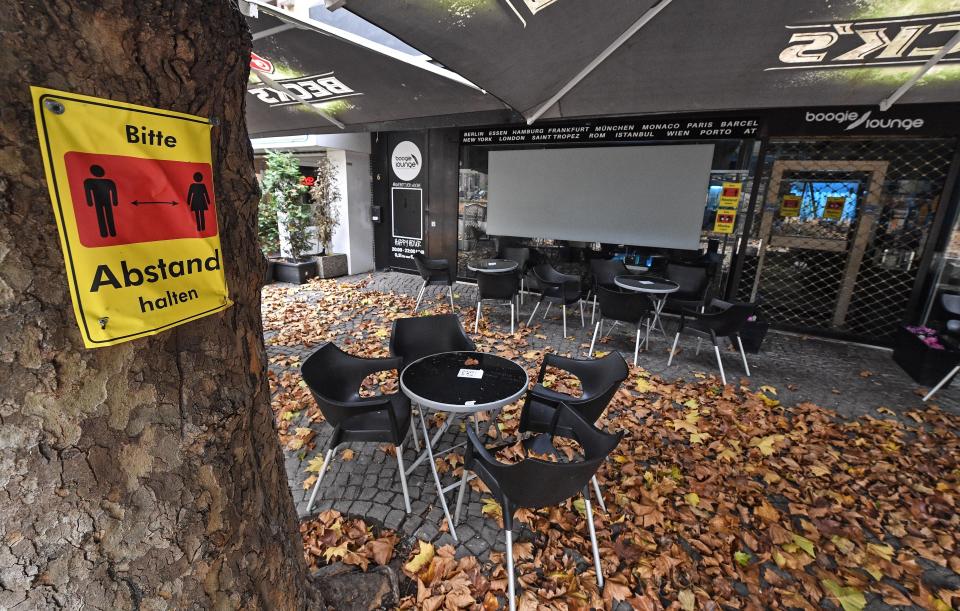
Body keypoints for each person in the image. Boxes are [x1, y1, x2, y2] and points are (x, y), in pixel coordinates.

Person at [83, 165, 118, 238]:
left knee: (105, 216)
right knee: (103, 216)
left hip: (105, 202)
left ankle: (109, 233)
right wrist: (90, 202)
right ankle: (106, 233)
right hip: (100, 202)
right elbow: (88, 192)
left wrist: (115, 201)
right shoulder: (89, 182)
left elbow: (114, 192)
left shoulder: (109, 182)